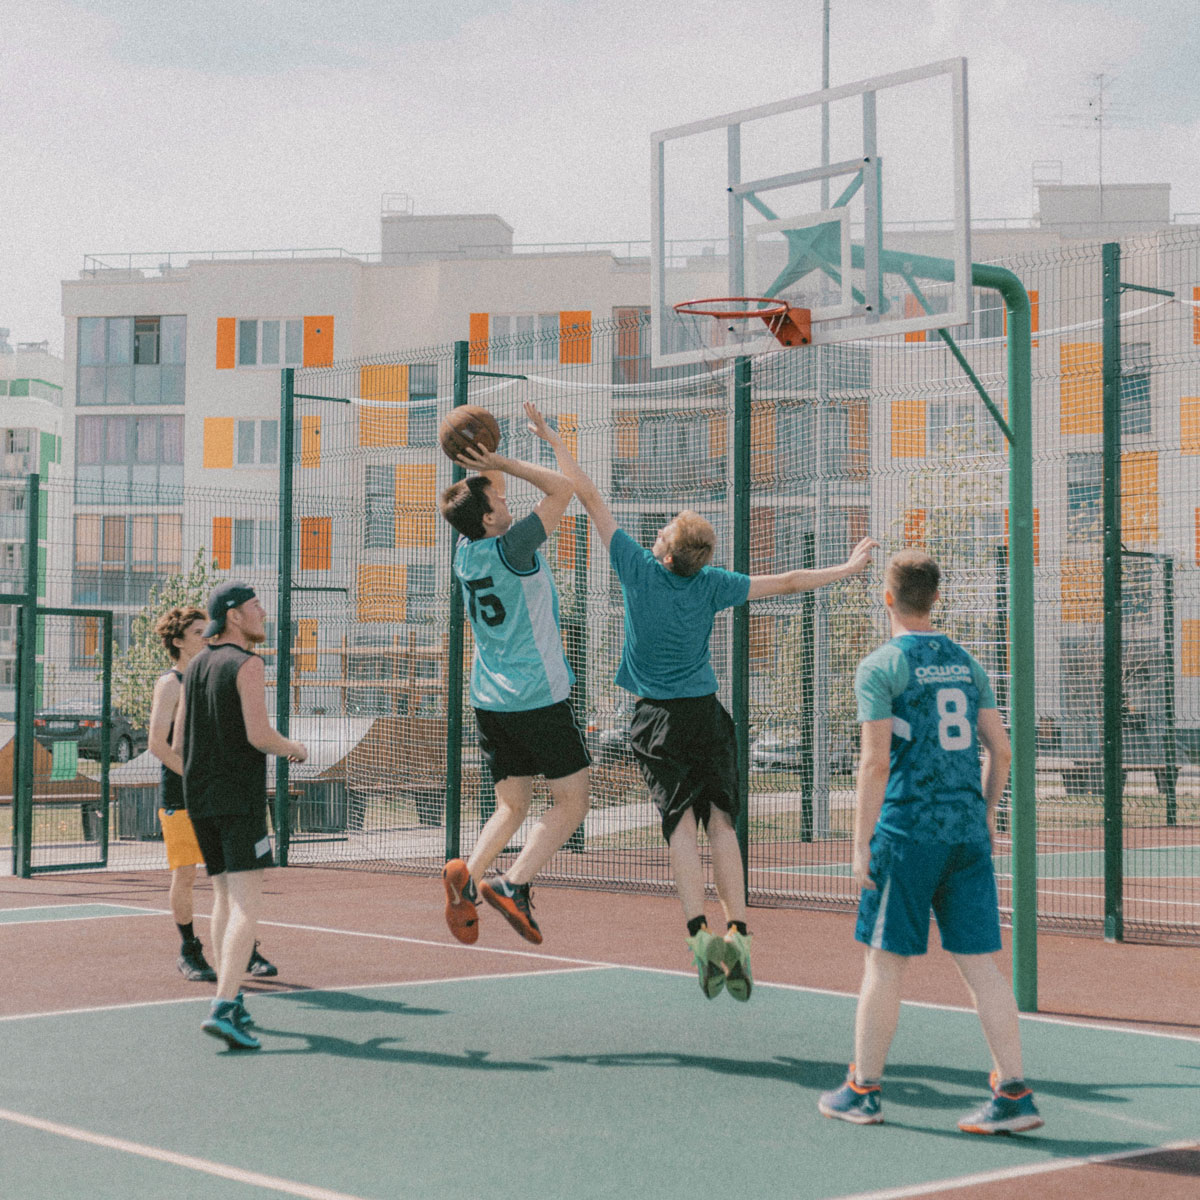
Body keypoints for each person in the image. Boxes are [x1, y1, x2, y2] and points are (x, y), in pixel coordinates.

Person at [539, 406, 876, 1000]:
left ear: (665, 550)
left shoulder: (638, 571)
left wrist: (553, 438)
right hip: (707, 714)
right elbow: (793, 580)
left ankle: (700, 939)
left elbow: (588, 495)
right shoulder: (713, 583)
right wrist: (848, 568)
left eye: (664, 530)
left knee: (680, 830)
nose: (659, 532)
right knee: (722, 823)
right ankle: (739, 934)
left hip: (656, 719)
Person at [817, 549, 1043, 1134]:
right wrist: (986, 811)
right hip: (965, 833)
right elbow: (1004, 749)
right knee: (983, 968)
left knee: (884, 963)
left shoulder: (881, 667)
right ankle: (1014, 1092)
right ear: (935, 598)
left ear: (886, 598)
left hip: (908, 832)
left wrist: (860, 843)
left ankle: (863, 1090)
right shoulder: (967, 663)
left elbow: (874, 762)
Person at [438, 402, 590, 947]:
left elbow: (483, 492)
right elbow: (562, 489)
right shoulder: (513, 548)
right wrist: (507, 458)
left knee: (512, 803)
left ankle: (469, 877)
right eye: (499, 500)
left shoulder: (465, 552)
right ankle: (514, 884)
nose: (506, 498)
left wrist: (484, 460)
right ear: (489, 518)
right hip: (536, 696)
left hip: (491, 699)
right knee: (573, 801)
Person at [174, 582, 307, 1050]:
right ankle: (225, 1004)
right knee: (248, 902)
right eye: (255, 606)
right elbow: (259, 734)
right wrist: (294, 748)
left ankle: (227, 995)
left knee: (224, 899)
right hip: (238, 798)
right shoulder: (249, 664)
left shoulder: (193, 669)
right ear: (234, 615)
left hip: (201, 798)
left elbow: (179, 745)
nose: (263, 612)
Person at [148, 606, 279, 983]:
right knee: (186, 874)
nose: (207, 638)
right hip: (183, 794)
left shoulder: (216, 675)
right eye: (197, 633)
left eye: (209, 631)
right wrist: (194, 777)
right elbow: (158, 743)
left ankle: (244, 946)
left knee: (233, 874)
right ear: (177, 641)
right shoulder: (170, 684)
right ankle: (189, 948)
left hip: (221, 792)